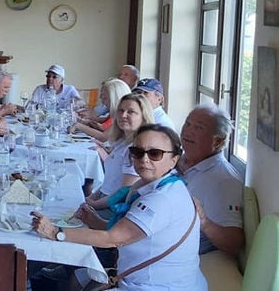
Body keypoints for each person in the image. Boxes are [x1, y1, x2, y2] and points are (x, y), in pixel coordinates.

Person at [32, 124, 206, 290]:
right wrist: (94, 220)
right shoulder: (157, 185)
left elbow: (113, 239)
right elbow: (130, 231)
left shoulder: (162, 199)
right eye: (137, 152)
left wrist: (55, 232)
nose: (144, 159)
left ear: (173, 160)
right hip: (142, 279)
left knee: (81, 276)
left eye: (155, 154)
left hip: (156, 286)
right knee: (79, 278)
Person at [177, 105, 244, 256]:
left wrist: (204, 222)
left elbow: (234, 243)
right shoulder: (181, 160)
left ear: (218, 141)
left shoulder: (225, 181)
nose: (188, 131)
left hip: (180, 254)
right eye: (187, 124)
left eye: (199, 128)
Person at [85, 93, 154, 212]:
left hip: (113, 208)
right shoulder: (122, 142)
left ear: (143, 116)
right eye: (121, 110)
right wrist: (90, 198)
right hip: (103, 200)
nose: (123, 115)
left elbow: (123, 193)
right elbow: (110, 181)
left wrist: (95, 205)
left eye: (131, 112)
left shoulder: (137, 149)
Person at [74, 78, 132, 142]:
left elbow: (104, 137)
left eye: (105, 98)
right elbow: (104, 122)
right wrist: (88, 122)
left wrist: (79, 126)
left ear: (114, 99)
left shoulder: (122, 115)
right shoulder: (115, 112)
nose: (102, 101)